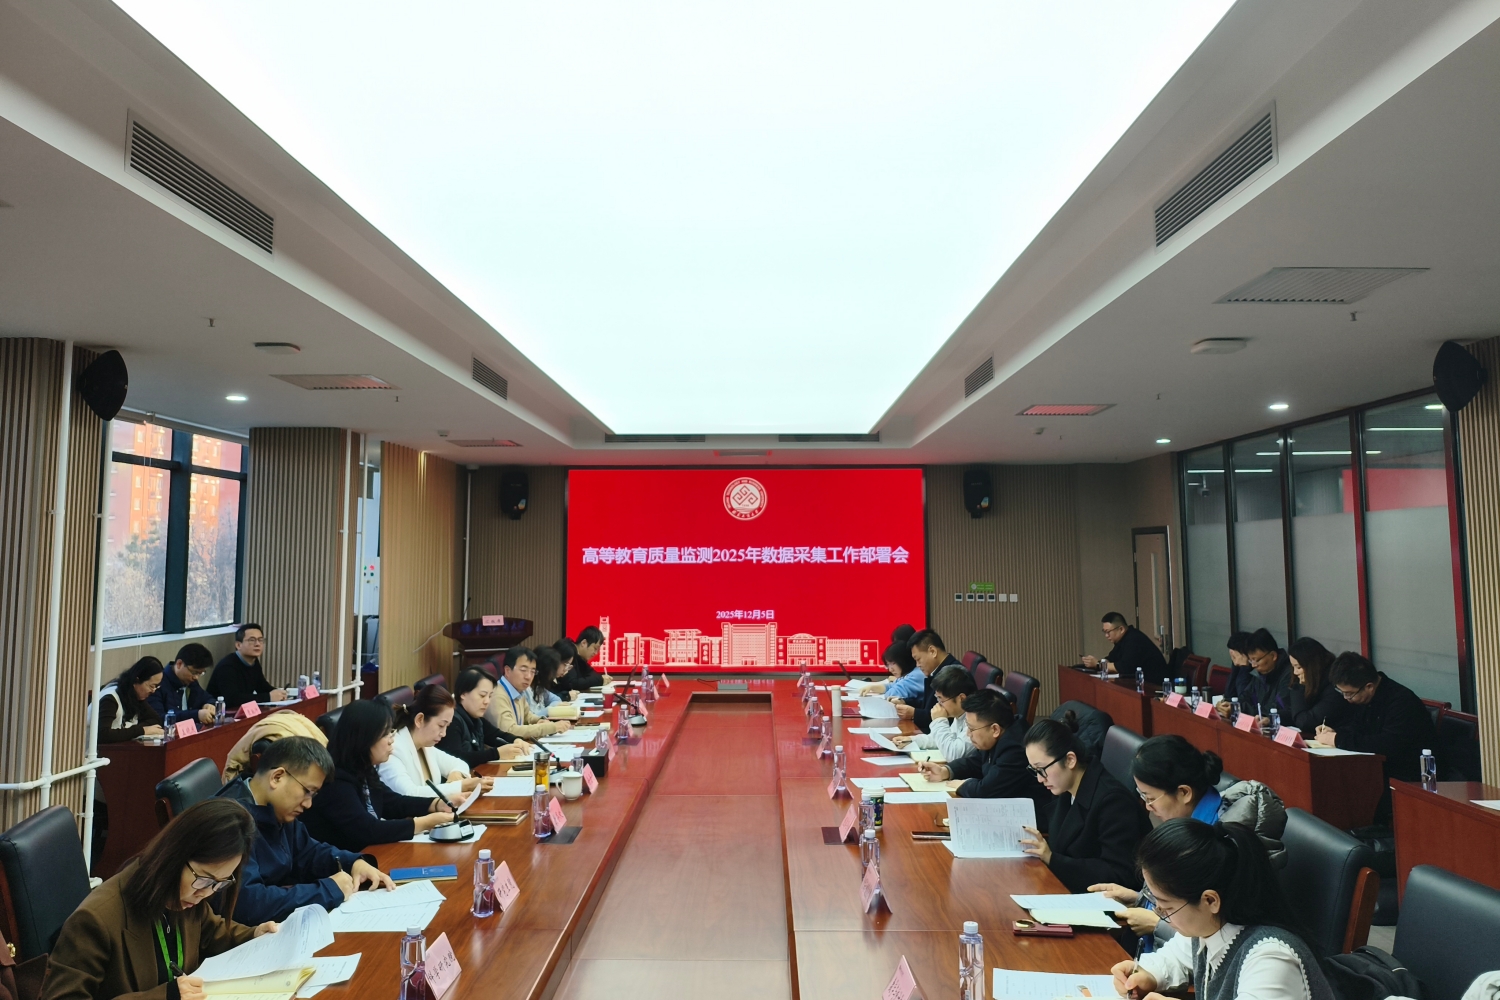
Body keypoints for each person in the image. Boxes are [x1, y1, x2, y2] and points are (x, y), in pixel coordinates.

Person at [40, 799, 280, 1000]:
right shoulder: (95, 920)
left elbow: (211, 932)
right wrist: (165, 996)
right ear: (175, 855)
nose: (207, 893)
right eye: (205, 880)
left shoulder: (188, 895)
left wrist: (255, 936)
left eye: (221, 883)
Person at [1089, 734, 1287, 947]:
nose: (1147, 806)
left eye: (1150, 798)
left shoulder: (1225, 842)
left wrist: (1157, 924)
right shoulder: (1192, 824)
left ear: (1184, 792)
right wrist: (1139, 899)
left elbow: (1224, 930)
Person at [1112, 820, 1337, 1000]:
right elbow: (1174, 958)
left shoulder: (1272, 958)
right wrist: (1147, 974)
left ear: (1210, 900)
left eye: (1166, 906)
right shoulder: (1208, 927)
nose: (1159, 913)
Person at [216, 736, 395, 924]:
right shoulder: (226, 822)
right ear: (277, 777)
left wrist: (352, 863)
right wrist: (329, 890)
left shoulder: (277, 809)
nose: (308, 804)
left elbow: (309, 853)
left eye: (313, 795)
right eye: (307, 791)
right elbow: (249, 904)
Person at [300, 700, 455, 851]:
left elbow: (392, 802)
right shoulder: (334, 781)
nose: (391, 740)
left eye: (391, 732)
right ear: (364, 738)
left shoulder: (363, 768)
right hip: (340, 863)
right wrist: (425, 823)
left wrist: (436, 804)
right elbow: (368, 830)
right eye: (385, 734)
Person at [1019, 715, 1149, 893]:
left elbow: (1120, 873)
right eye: (1034, 770)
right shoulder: (1065, 787)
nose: (1040, 779)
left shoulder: (1113, 802)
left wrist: (1052, 859)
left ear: (1070, 760)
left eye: (1042, 770)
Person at [1316, 652, 1436, 805]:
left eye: (1349, 694)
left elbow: (1387, 744)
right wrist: (1335, 732)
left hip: (1407, 776)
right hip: (1377, 769)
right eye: (1342, 693)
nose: (1346, 699)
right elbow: (1357, 727)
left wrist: (1338, 739)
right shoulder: (1363, 697)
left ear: (1369, 687)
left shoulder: (1401, 702)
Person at [915, 689, 1052, 814]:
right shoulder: (1000, 733)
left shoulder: (1016, 749)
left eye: (971, 729)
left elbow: (985, 791)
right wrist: (945, 771)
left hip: (1031, 820)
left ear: (995, 729)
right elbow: (975, 762)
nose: (968, 734)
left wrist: (963, 785)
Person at [378, 684, 494, 800]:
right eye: (441, 725)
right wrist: (462, 786)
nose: (444, 734)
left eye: (447, 726)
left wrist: (456, 775)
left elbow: (460, 764)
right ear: (420, 720)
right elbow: (409, 794)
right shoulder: (392, 749)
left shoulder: (425, 745)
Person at [437, 668, 531, 767]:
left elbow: (497, 735)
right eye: (482, 695)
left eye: (490, 696)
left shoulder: (476, 719)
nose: (487, 702)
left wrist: (516, 740)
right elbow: (455, 758)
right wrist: (497, 753)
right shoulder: (451, 721)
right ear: (463, 694)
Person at [486, 646, 571, 740]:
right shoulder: (497, 695)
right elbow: (510, 731)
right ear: (507, 671)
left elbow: (528, 716)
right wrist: (550, 727)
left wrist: (539, 721)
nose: (528, 677)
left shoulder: (518, 690)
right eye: (523, 670)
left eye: (533, 671)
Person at [894, 663, 975, 762]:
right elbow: (940, 739)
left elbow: (953, 754)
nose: (938, 704)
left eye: (941, 699)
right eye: (937, 698)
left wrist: (939, 720)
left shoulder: (975, 719)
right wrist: (912, 740)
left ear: (961, 698)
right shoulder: (959, 714)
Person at [1219, 628, 1292, 724]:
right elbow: (1246, 696)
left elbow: (1275, 710)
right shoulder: (1261, 673)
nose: (1253, 665)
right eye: (1251, 661)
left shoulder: (1290, 674)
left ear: (1273, 656)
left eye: (1256, 660)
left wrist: (1240, 709)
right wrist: (1231, 705)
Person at [206, 624, 286, 709]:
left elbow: (262, 687)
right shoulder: (227, 667)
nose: (257, 644)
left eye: (260, 640)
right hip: (221, 713)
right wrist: (269, 697)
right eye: (252, 640)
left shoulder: (253, 661)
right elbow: (233, 699)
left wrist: (279, 693)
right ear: (238, 645)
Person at [892, 629, 957, 732]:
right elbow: (928, 704)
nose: (917, 665)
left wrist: (915, 714)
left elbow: (947, 718)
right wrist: (904, 701)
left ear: (932, 651)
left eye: (918, 659)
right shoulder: (937, 671)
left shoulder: (953, 675)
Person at [1082, 612, 1168, 684]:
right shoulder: (1122, 640)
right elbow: (1111, 659)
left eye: (1108, 632)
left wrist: (1098, 664)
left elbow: (1123, 667)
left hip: (1154, 685)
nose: (1106, 636)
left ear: (1121, 629)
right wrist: (1095, 663)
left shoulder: (1134, 639)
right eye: (1104, 632)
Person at [94, 657, 165, 744]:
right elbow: (102, 735)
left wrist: (132, 731)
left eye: (156, 686)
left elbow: (155, 719)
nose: (153, 691)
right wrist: (141, 730)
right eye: (151, 686)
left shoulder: (134, 694)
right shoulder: (110, 699)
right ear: (137, 680)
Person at [1285, 637, 1344, 736]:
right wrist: (1271, 718)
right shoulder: (1317, 681)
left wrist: (1299, 686)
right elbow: (1295, 712)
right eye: (1293, 667)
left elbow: (1304, 721)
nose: (1295, 672)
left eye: (1298, 667)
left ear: (1312, 666)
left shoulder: (1334, 687)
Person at [147, 644, 217, 726]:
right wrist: (196, 715)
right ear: (179, 664)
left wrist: (209, 704)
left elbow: (207, 697)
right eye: (194, 672)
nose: (196, 677)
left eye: (200, 673)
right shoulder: (158, 683)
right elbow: (158, 719)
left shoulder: (191, 681)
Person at [855, 641, 921, 699]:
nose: (890, 669)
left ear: (904, 660)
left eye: (893, 663)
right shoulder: (908, 674)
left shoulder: (916, 675)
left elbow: (892, 694)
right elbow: (890, 686)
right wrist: (872, 687)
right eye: (888, 664)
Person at [554, 627, 611, 693]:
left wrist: (600, 679)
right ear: (583, 643)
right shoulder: (569, 651)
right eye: (595, 648)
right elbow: (572, 683)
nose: (596, 653)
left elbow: (592, 674)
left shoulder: (580, 658)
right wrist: (600, 680)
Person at [526, 646, 567, 717]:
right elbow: (530, 718)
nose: (553, 675)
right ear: (545, 669)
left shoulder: (538, 687)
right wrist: (550, 709)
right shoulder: (525, 689)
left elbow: (557, 700)